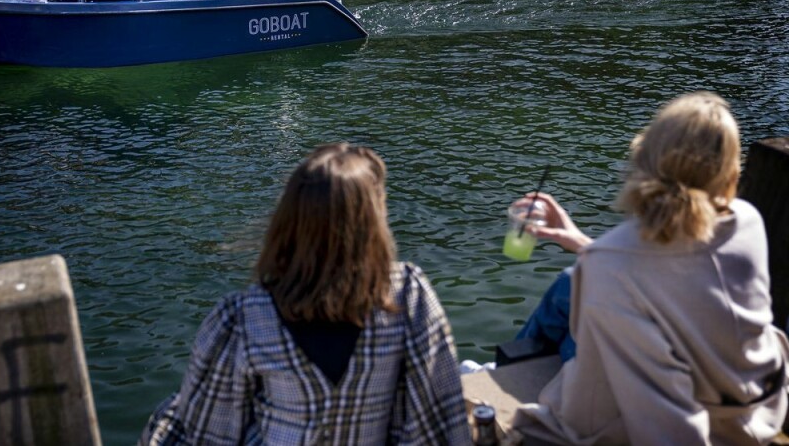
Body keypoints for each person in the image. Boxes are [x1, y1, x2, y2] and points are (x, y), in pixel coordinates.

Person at [138, 143, 471, 445]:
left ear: (289, 221)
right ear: (373, 226)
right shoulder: (408, 296)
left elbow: (209, 433)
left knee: (170, 412)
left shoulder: (242, 318)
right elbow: (436, 417)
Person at [510, 92, 788, 444]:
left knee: (571, 310)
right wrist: (582, 243)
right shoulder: (748, 221)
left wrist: (597, 259)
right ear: (731, 171)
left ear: (645, 159)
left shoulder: (609, 263)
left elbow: (670, 424)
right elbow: (679, 267)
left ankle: (505, 367)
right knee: (572, 282)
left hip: (710, 423)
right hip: (759, 400)